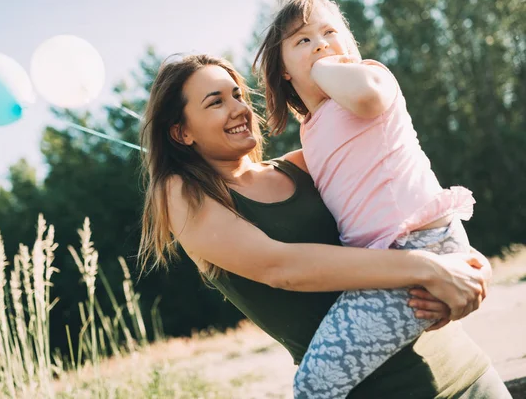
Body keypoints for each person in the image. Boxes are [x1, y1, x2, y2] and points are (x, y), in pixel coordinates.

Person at [138, 53, 508, 398]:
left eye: (237, 94)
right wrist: (429, 268)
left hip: (468, 374)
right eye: (215, 102)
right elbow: (281, 267)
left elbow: (409, 206)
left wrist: (468, 265)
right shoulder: (181, 195)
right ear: (181, 133)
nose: (238, 108)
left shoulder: (306, 162)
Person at [253, 0, 510, 397]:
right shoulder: (312, 129)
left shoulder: (372, 77)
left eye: (331, 33)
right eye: (304, 40)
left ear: (352, 47)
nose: (321, 44)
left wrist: (324, 65)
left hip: (421, 243)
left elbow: (368, 99)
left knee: (314, 384)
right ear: (284, 69)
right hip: (389, 261)